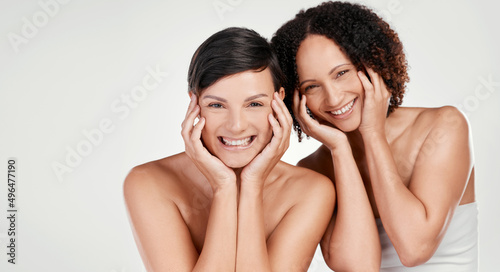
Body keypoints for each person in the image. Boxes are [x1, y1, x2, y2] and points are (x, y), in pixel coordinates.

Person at [271, 1, 477, 271]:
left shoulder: (443, 126)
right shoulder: (315, 169)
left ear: (372, 64)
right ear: (297, 99)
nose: (333, 98)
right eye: (312, 86)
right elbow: (356, 267)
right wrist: (340, 150)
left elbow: (414, 248)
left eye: (341, 73)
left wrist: (372, 133)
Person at [123, 27, 335, 271]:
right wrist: (224, 188)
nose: (236, 126)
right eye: (216, 105)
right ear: (194, 104)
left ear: (279, 102)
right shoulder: (149, 182)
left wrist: (251, 185)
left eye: (254, 103)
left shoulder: (311, 191)